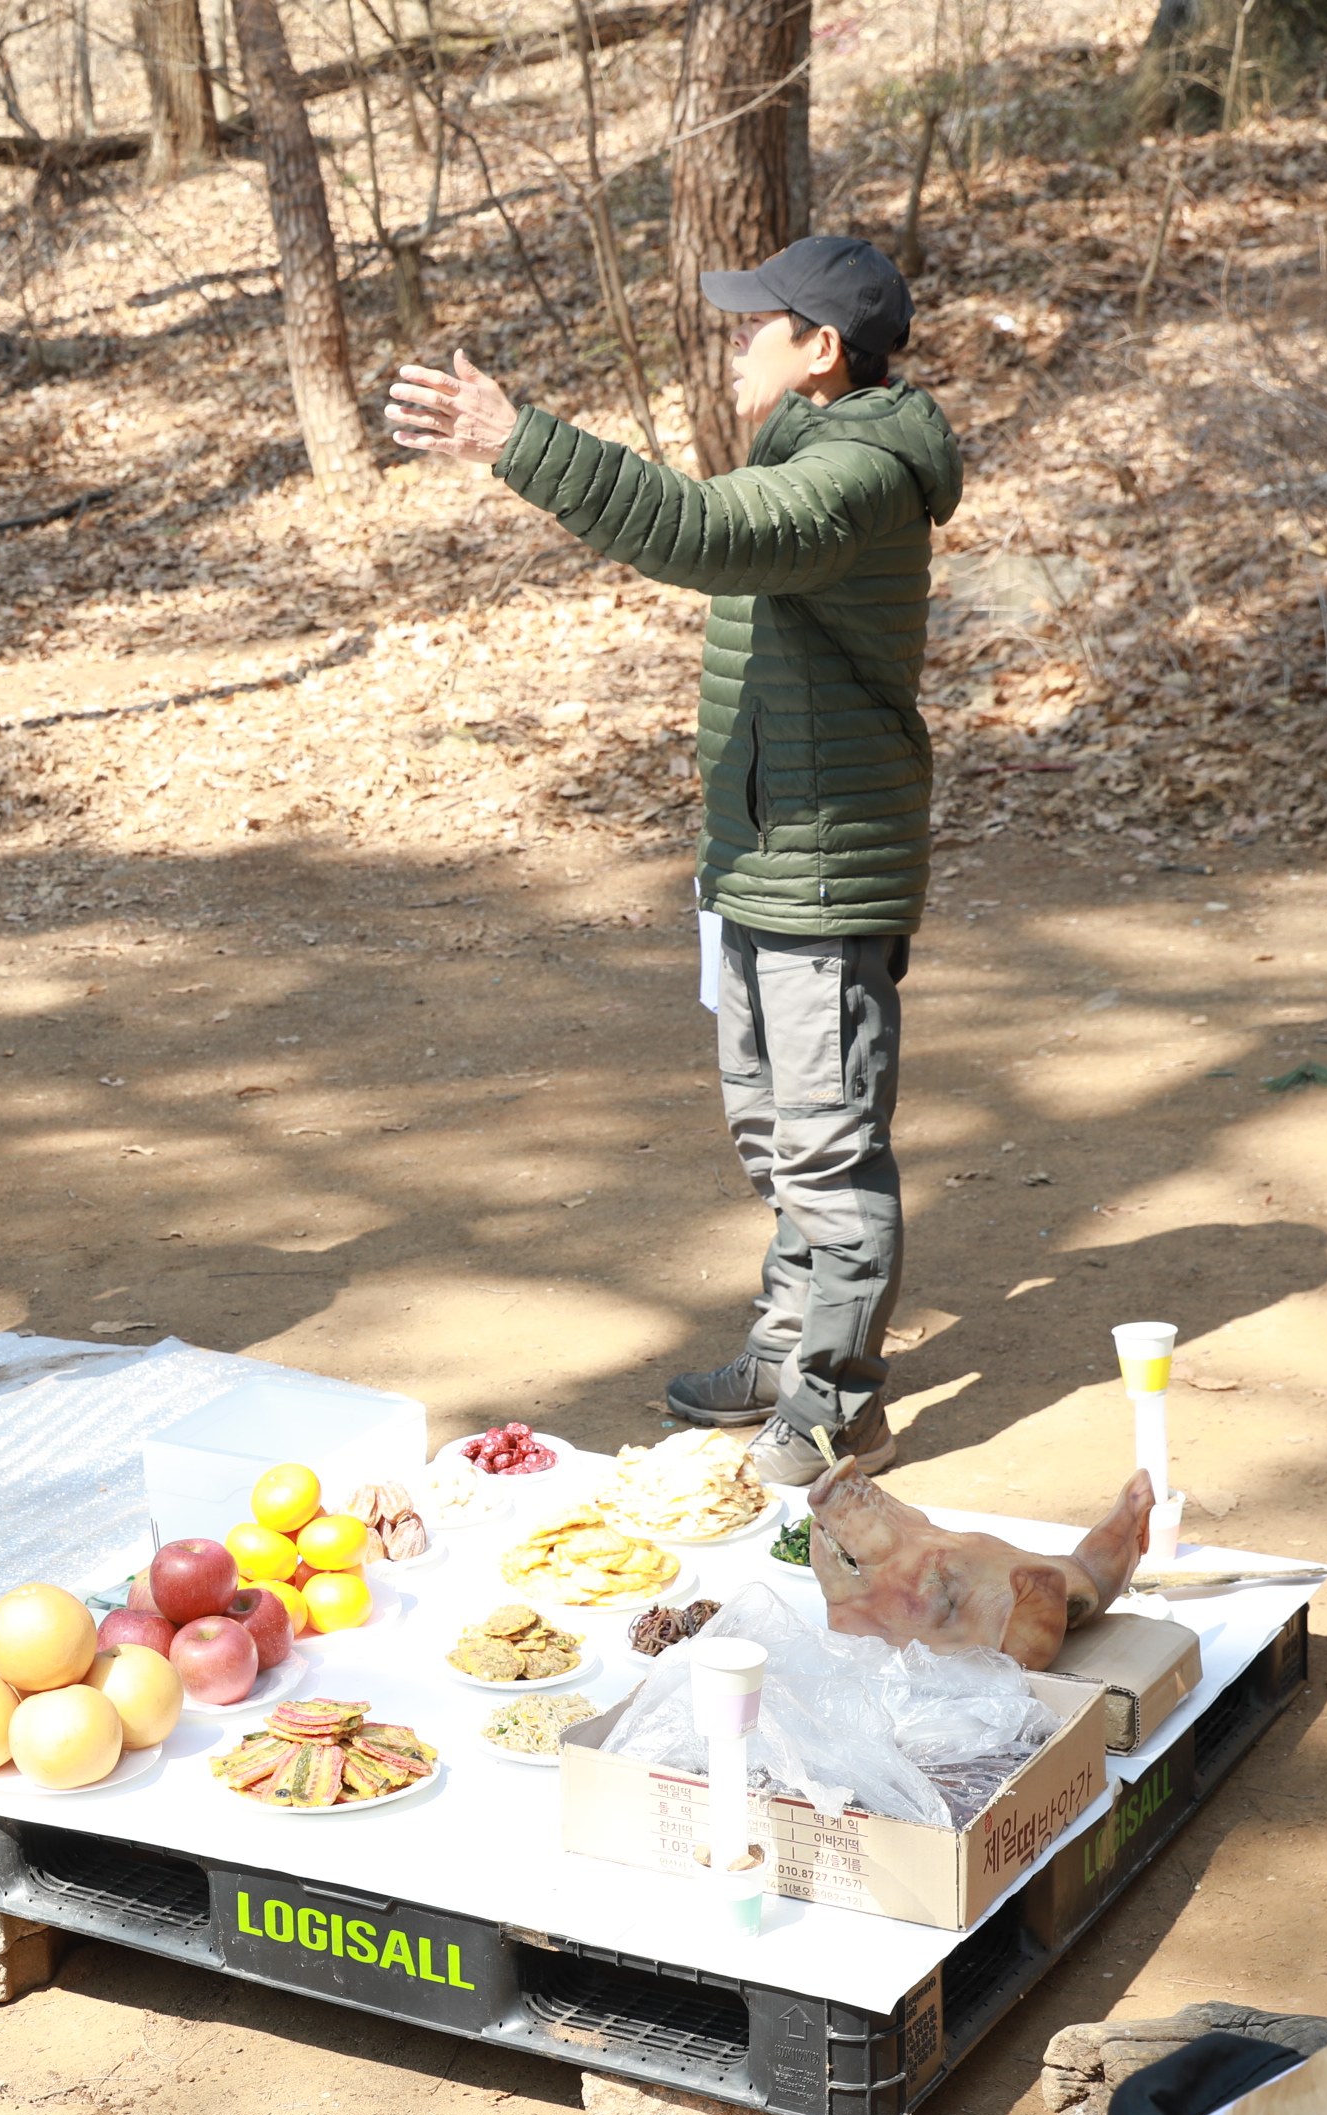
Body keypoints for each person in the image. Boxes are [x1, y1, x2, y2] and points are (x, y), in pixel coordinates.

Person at [386, 235, 964, 1489]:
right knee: (773, 1131)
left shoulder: (856, 474)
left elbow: (699, 530)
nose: (736, 342)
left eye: (759, 324)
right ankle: (785, 1348)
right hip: (761, 859)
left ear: (821, 348)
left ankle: (836, 1403)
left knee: (828, 1147)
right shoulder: (806, 450)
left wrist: (520, 442)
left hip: (823, 873)